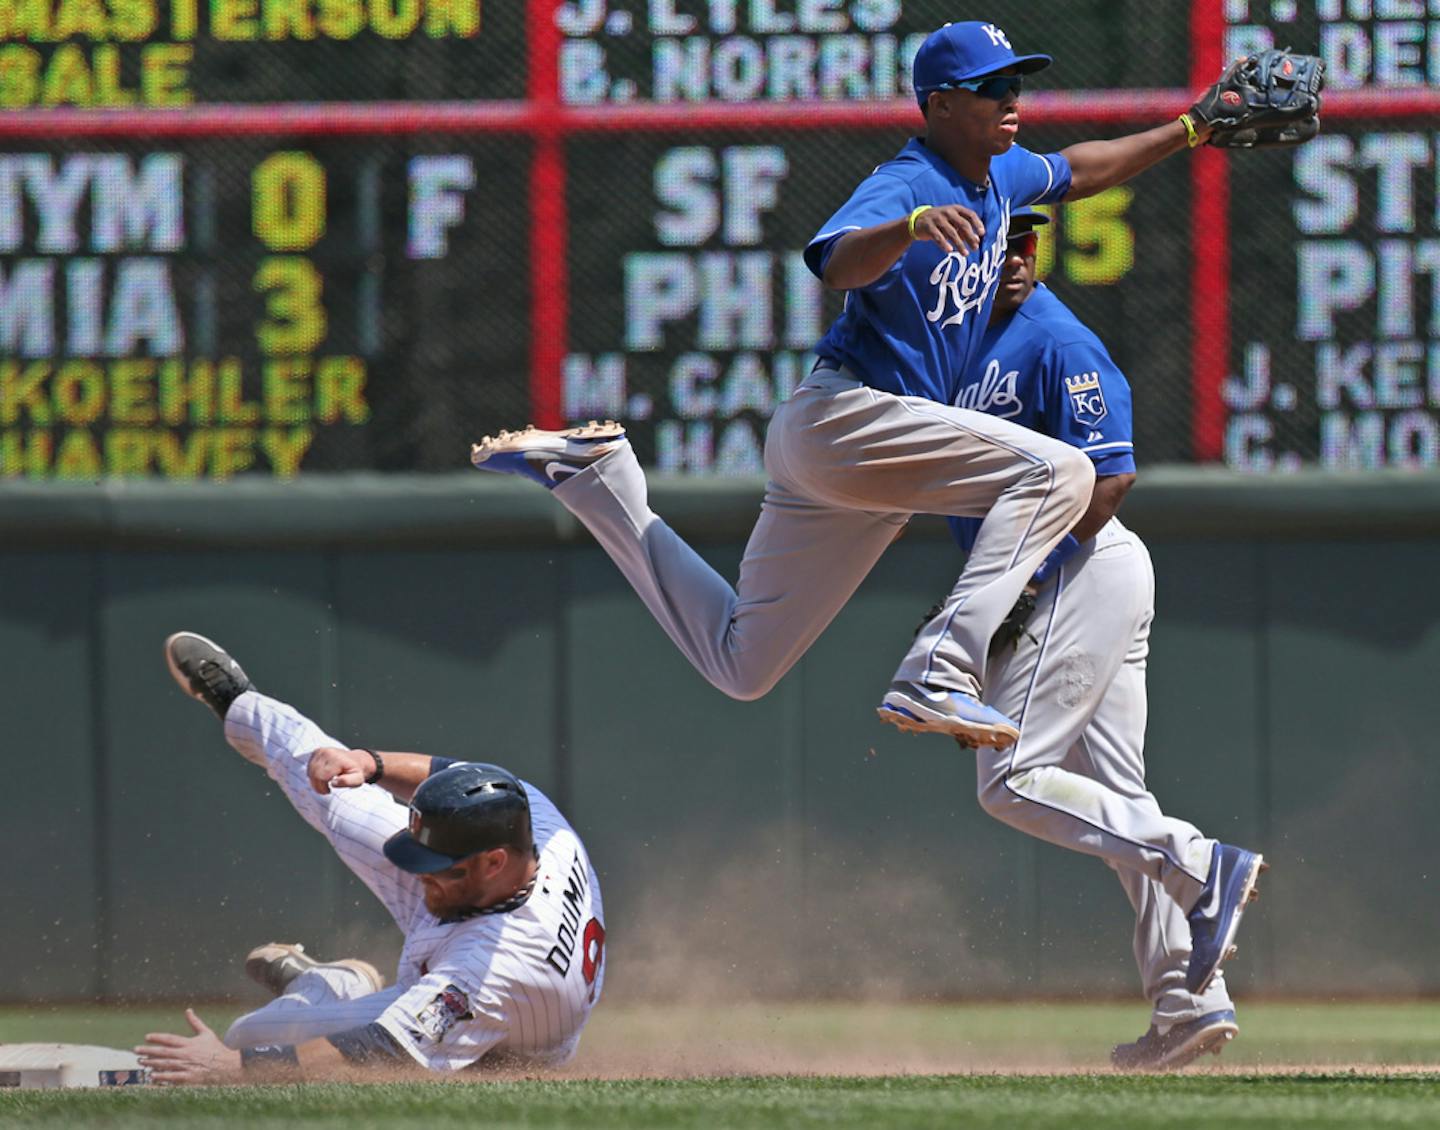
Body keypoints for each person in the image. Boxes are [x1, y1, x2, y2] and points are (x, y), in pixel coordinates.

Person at [469, 20, 1228, 753]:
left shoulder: (1004, 171)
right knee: (1062, 469)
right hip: (848, 417)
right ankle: (942, 667)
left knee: (743, 665)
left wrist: (1192, 128)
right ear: (939, 105)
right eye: (990, 87)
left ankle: (601, 483)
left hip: (864, 468)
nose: (1011, 99)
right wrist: (909, 228)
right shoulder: (909, 181)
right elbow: (835, 262)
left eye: (1015, 82)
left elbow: (1081, 169)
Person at [942, 208, 1262, 1069]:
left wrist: (1027, 583)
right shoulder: (945, 347)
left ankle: (1196, 862)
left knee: (1009, 780)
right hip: (1067, 578)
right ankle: (1187, 999)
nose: (1012, 256)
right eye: (994, 242)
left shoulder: (1056, 340)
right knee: (1115, 790)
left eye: (1022, 240)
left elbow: (1111, 475)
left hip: (1078, 567)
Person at [137, 632, 605, 1084]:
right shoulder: (534, 820)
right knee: (341, 791)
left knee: (251, 1038)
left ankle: (334, 988)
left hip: (496, 1039)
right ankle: (239, 703)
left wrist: (231, 1069)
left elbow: (380, 1051)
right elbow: (449, 775)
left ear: (494, 861)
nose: (422, 878)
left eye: (437, 868)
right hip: (477, 912)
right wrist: (369, 763)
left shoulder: (493, 974)